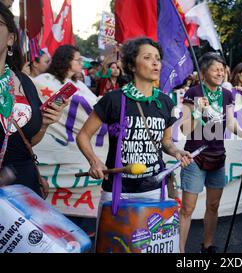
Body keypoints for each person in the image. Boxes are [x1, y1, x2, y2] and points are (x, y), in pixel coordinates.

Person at [77, 37, 193, 214]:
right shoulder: (113, 100)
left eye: (157, 58)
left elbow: (166, 141)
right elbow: (83, 135)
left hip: (153, 191)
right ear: (131, 66)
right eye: (147, 57)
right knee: (113, 242)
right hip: (117, 191)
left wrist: (177, 152)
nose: (155, 62)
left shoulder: (165, 102)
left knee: (149, 242)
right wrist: (94, 162)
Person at [178, 52, 242, 253]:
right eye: (216, 69)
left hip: (217, 156)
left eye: (223, 69)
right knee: (187, 209)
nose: (221, 73)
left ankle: (208, 245)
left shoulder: (227, 94)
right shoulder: (193, 92)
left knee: (213, 206)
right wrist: (197, 110)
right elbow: (185, 129)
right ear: (204, 72)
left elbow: (230, 123)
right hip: (194, 157)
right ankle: (179, 251)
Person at [0, 4, 66, 197]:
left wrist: (44, 124)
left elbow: (28, 141)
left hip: (23, 190)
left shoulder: (23, 82)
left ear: (11, 38)